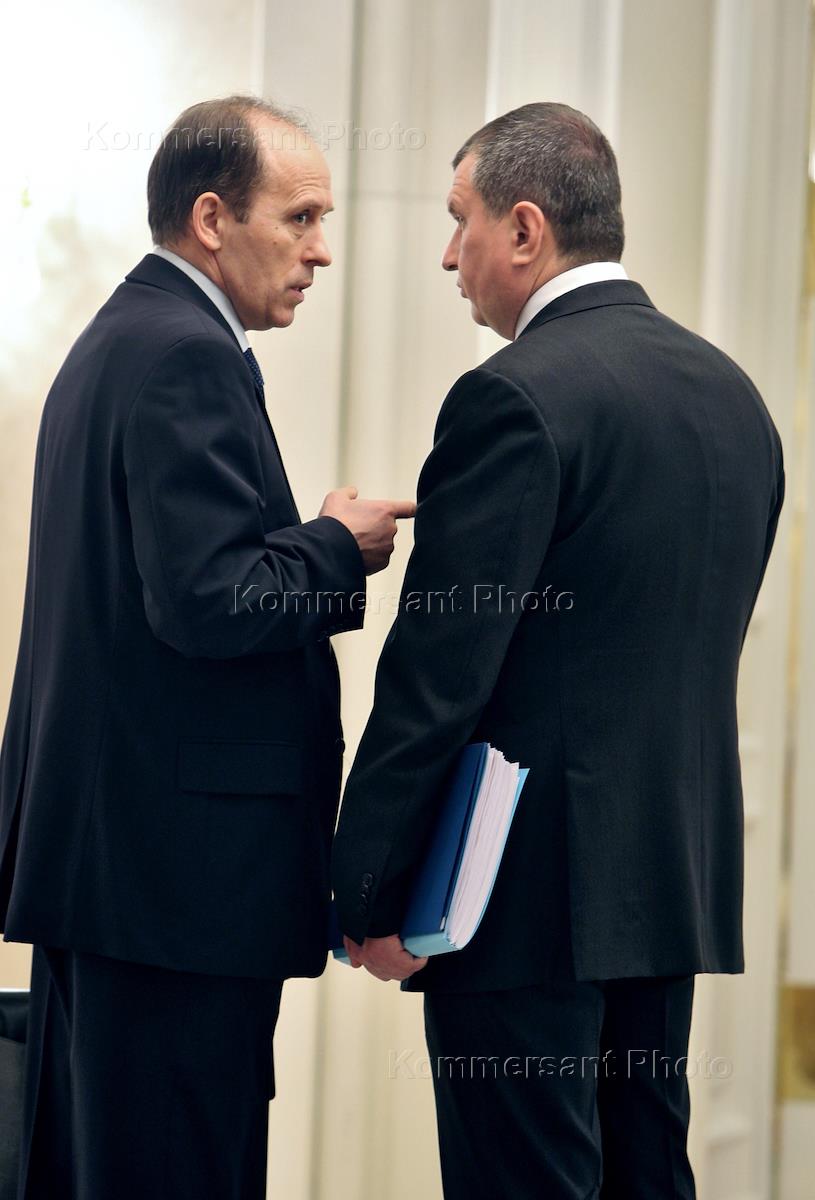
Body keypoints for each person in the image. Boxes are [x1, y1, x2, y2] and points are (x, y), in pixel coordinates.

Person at [331, 102, 784, 1199]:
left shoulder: (511, 398)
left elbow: (438, 676)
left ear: (525, 230)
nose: (449, 255)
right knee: (645, 1175)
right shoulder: (735, 401)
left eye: (461, 221)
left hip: (516, 903)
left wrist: (366, 892)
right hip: (661, 887)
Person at [0, 94, 413, 1200]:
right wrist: (337, 546)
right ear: (212, 218)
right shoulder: (186, 352)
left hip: (124, 877)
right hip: (173, 890)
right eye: (301, 218)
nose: (321, 252)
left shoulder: (126, 337)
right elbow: (210, 602)